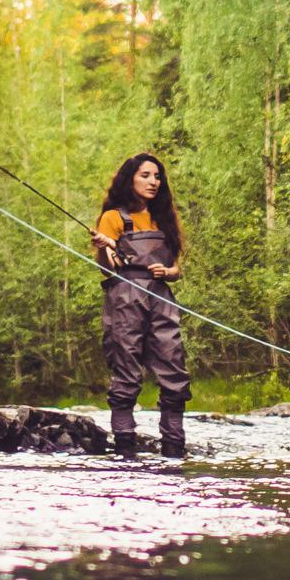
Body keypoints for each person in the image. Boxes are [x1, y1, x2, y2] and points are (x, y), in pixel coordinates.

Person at [90, 153, 191, 458]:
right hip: (124, 298)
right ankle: (125, 449)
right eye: (145, 175)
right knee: (126, 368)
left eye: (157, 176)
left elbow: (176, 268)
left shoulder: (165, 218)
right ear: (130, 179)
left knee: (174, 367)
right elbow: (106, 268)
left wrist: (168, 272)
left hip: (161, 299)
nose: (153, 182)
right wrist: (105, 248)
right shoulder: (112, 218)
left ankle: (174, 447)